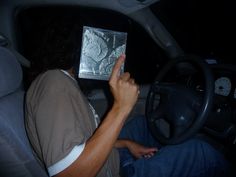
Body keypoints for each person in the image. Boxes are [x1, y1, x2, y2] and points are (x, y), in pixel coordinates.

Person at [25, 17, 230, 177]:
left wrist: (124, 144)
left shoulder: (62, 83)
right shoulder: (53, 83)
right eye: (94, 43)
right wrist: (121, 107)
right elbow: (68, 174)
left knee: (141, 124)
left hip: (109, 162)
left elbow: (81, 142)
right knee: (200, 153)